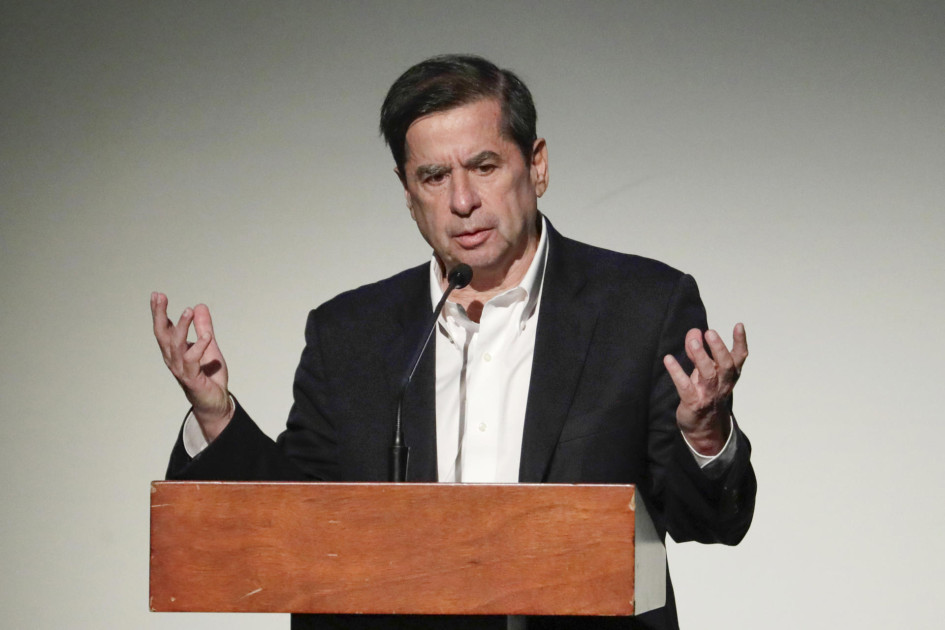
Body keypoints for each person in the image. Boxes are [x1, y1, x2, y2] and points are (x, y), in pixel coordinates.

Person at [151, 54, 755, 630]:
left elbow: (710, 522)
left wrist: (703, 436)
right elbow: (299, 521)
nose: (462, 202)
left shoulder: (642, 307)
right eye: (435, 177)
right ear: (407, 192)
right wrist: (216, 416)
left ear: (537, 164)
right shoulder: (350, 334)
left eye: (484, 167)